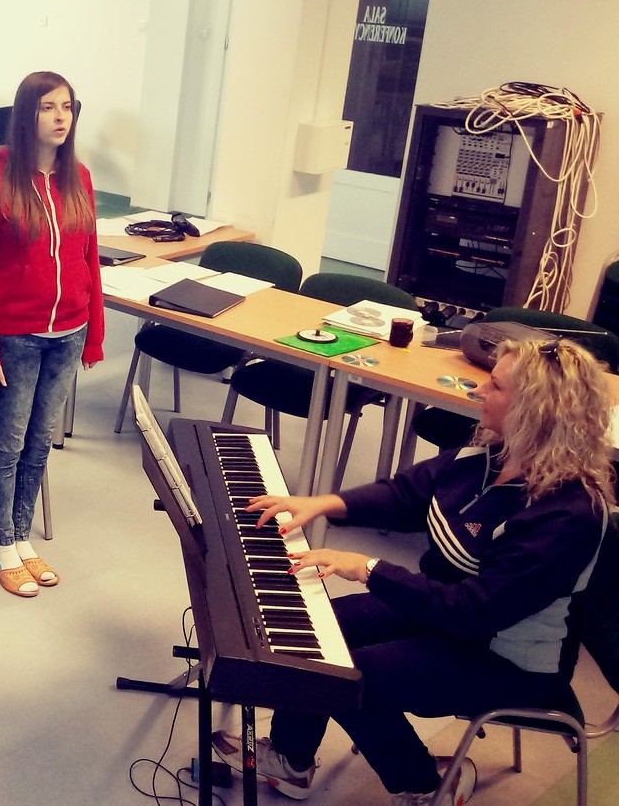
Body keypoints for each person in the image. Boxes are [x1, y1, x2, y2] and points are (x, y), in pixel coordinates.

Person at [212, 338, 613, 806]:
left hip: (507, 657)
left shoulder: (567, 513)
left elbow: (475, 612)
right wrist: (321, 503)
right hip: (448, 613)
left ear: (537, 410)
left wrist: (368, 568)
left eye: (496, 386)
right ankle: (291, 759)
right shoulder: (490, 456)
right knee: (319, 630)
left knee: (352, 675)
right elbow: (407, 495)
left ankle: (425, 788)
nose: (478, 391)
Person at [0, 71, 103, 597]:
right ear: (27, 115)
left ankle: (23, 537)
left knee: (40, 442)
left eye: (67, 106)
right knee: (8, 443)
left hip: (69, 331)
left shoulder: (79, 177)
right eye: (48, 107)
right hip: (15, 337)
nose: (60, 116)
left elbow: (90, 258)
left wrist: (95, 335)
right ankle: (2, 544)